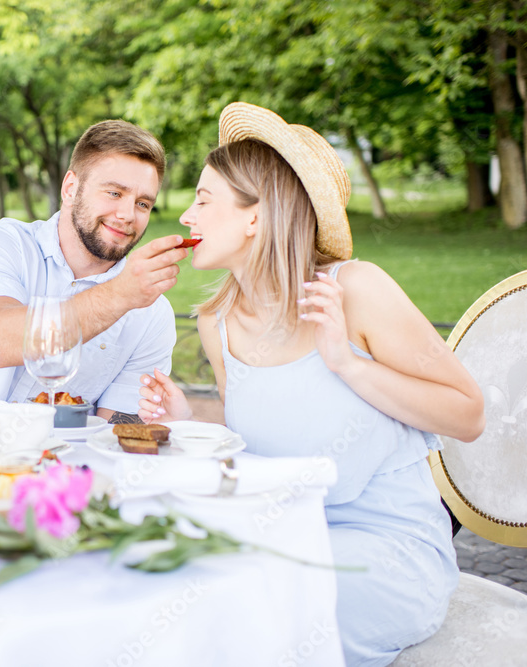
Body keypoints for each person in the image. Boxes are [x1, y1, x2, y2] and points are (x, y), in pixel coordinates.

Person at [138, 102, 485, 666]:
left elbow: (468, 415)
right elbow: (257, 446)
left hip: (388, 552)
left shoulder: (357, 290)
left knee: (250, 601)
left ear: (256, 215)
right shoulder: (215, 323)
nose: (186, 217)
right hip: (284, 532)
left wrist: (349, 364)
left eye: (203, 199)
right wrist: (187, 423)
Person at [0, 120, 190, 423]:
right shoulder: (2, 244)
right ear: (71, 188)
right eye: (114, 193)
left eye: (142, 203)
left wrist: (166, 424)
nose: (127, 216)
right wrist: (121, 295)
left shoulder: (152, 314)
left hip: (67, 466)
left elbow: (118, 427)